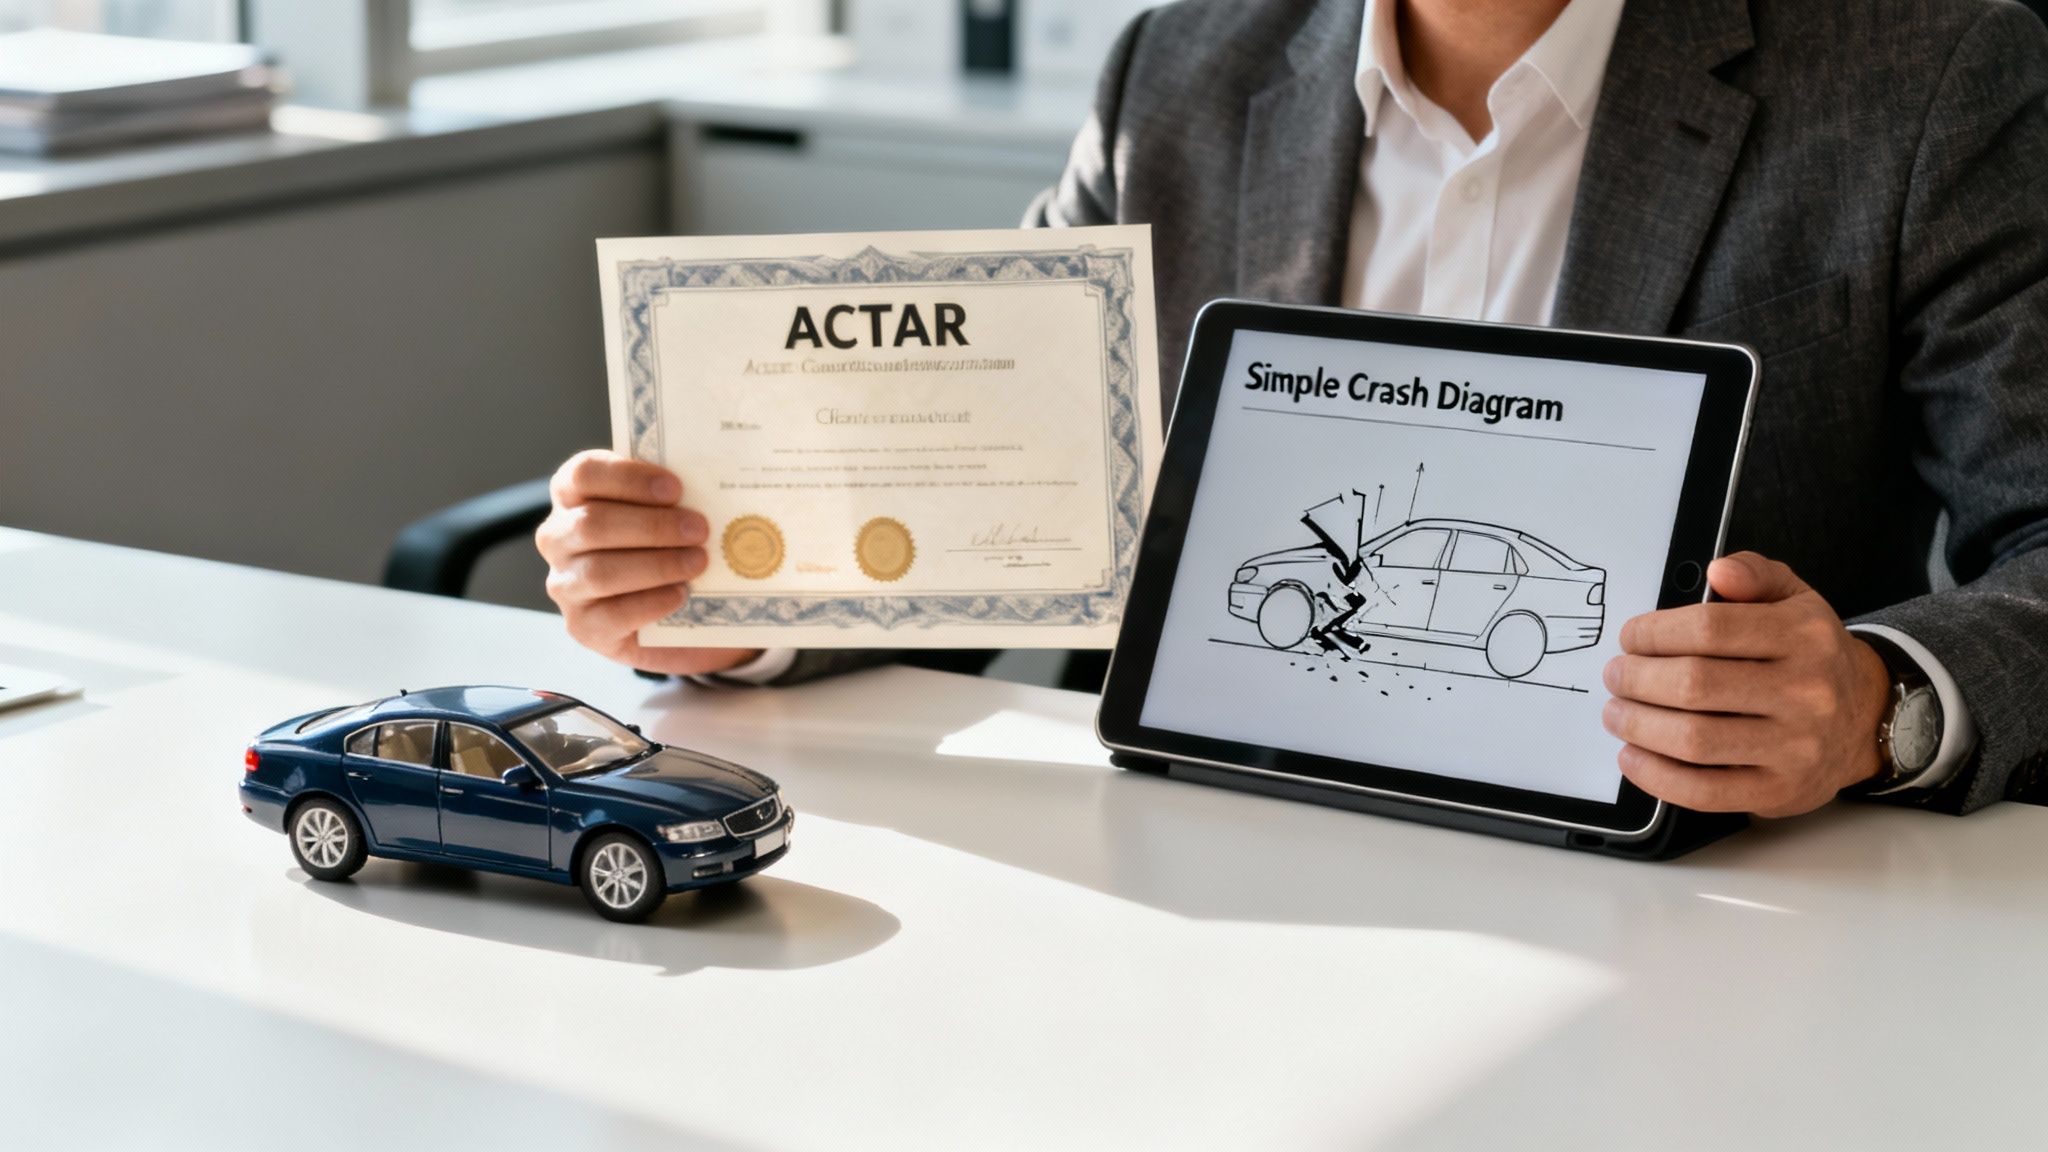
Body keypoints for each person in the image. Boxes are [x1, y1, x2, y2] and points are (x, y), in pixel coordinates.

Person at [537, 0, 2048, 818]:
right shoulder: (1177, 69)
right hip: (1191, 856)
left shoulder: (1930, 77)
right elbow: (1008, 512)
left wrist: (1878, 703)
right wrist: (740, 607)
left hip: (1682, 910)